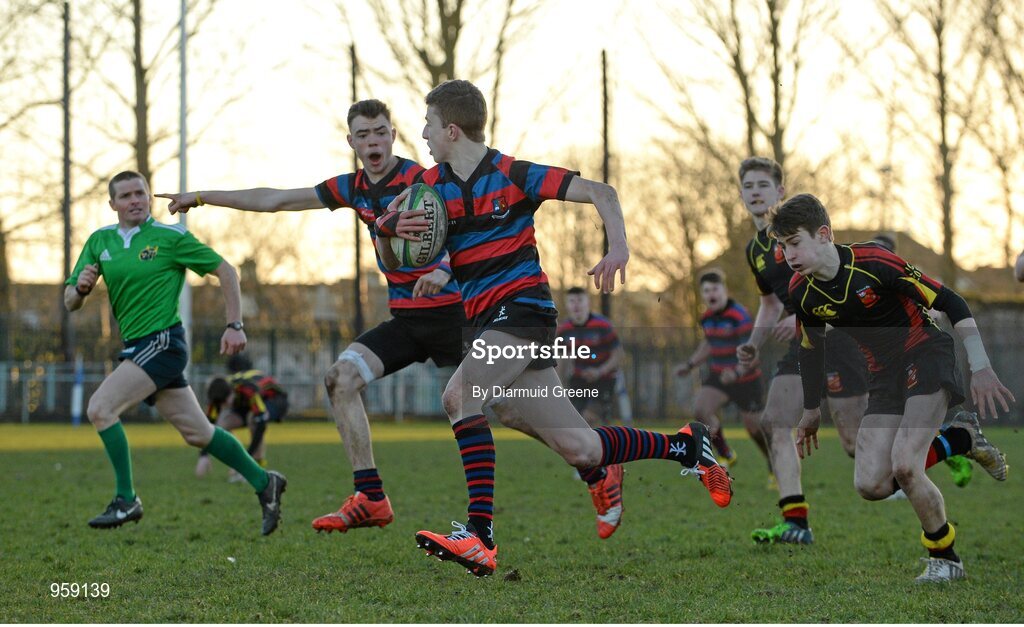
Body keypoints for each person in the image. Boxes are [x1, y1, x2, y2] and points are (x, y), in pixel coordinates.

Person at [381, 79, 732, 577]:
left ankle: (480, 536)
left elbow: (600, 191)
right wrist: (389, 230)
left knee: (460, 398)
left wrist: (618, 246)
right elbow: (390, 233)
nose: (423, 134)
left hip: (523, 313)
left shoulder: (513, 174)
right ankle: (685, 447)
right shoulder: (432, 189)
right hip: (487, 322)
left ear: (452, 130)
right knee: (580, 447)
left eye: (429, 125)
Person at [159, 99, 464, 533]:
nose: (373, 141)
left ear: (394, 135)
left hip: (456, 313)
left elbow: (463, 228)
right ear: (351, 142)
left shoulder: (422, 180)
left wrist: (443, 267)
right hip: (408, 320)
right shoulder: (354, 188)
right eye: (363, 135)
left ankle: (593, 461)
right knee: (341, 379)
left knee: (510, 407)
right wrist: (203, 197)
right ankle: (370, 497)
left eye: (380, 131)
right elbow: (276, 199)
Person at [768, 193, 1012, 582]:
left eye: (794, 242)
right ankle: (960, 440)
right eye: (783, 246)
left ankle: (945, 558)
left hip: (926, 353)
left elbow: (951, 301)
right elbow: (810, 349)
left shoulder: (874, 262)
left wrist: (981, 366)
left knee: (905, 465)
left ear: (824, 234)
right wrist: (811, 411)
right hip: (883, 375)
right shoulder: (803, 291)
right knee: (871, 484)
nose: (789, 254)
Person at [65, 170, 286, 535]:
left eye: (141, 193)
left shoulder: (170, 237)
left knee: (100, 408)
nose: (135, 200)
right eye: (126, 196)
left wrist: (234, 324)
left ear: (149, 197)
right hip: (138, 347)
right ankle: (266, 483)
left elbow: (226, 271)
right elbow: (70, 300)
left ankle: (126, 499)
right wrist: (82, 289)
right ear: (112, 204)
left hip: (163, 342)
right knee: (199, 433)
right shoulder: (98, 241)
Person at [735, 157, 870, 545]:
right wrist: (753, 343)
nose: (755, 192)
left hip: (835, 334)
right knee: (774, 420)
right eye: (748, 186)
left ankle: (950, 440)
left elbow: (834, 277)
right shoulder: (755, 250)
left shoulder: (801, 231)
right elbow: (769, 304)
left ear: (779, 191)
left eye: (763, 185)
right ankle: (796, 522)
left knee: (854, 444)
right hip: (800, 341)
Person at [676, 270, 770, 475]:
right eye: (707, 290)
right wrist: (690, 364)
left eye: (715, 289)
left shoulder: (739, 315)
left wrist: (737, 372)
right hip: (720, 375)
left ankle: (772, 462)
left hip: (746, 379)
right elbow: (709, 343)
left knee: (755, 430)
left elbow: (752, 354)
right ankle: (726, 453)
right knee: (701, 408)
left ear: (724, 290)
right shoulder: (707, 317)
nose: (712, 294)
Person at [195, 353, 289, 480]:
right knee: (222, 423)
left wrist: (247, 460)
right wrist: (204, 455)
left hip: (275, 400)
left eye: (226, 401)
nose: (225, 406)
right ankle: (237, 460)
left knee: (253, 420)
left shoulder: (247, 388)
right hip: (247, 403)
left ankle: (256, 469)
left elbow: (260, 423)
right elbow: (209, 423)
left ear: (231, 393)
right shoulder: (218, 393)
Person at [555, 287, 625, 426]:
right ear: (567, 305)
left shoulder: (602, 325)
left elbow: (618, 355)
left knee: (589, 417)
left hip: (604, 379)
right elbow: (560, 359)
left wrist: (599, 371)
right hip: (579, 380)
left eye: (580, 300)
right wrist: (559, 385)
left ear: (588, 303)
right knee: (573, 421)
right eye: (572, 301)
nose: (576, 305)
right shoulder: (564, 329)